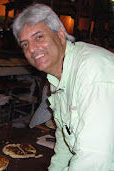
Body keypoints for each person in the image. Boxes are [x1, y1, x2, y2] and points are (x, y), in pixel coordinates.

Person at [12, 3, 114, 170]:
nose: (32, 49)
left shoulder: (92, 70)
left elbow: (94, 158)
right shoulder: (57, 77)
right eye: (25, 44)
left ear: (60, 34)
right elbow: (65, 138)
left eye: (39, 37)